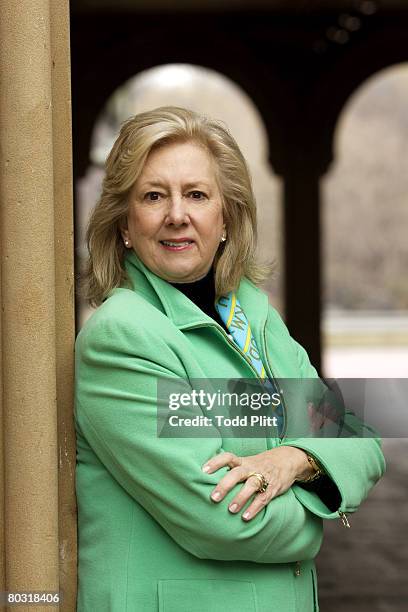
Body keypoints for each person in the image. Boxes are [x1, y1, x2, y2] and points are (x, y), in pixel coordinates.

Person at [75, 106, 385, 612]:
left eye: (196, 194)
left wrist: (295, 459)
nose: (178, 214)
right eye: (153, 196)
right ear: (125, 224)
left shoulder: (252, 317)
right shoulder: (125, 337)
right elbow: (222, 520)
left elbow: (356, 435)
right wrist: (320, 510)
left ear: (226, 217)